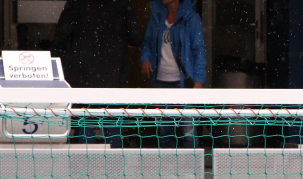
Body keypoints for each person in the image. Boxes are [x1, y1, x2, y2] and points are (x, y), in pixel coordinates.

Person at [52, 0, 143, 147]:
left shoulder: (76, 3)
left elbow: (62, 35)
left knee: (85, 119)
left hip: (83, 72)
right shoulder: (121, 3)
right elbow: (136, 36)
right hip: (113, 72)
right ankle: (114, 165)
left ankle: (84, 165)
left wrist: (55, 56)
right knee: (111, 119)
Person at [140, 0, 206, 148]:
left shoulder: (191, 18)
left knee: (188, 131)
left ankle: (191, 169)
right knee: (165, 132)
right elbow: (147, 43)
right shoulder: (156, 17)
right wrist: (145, 59)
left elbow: (199, 50)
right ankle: (168, 168)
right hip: (161, 82)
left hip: (184, 83)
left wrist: (199, 80)